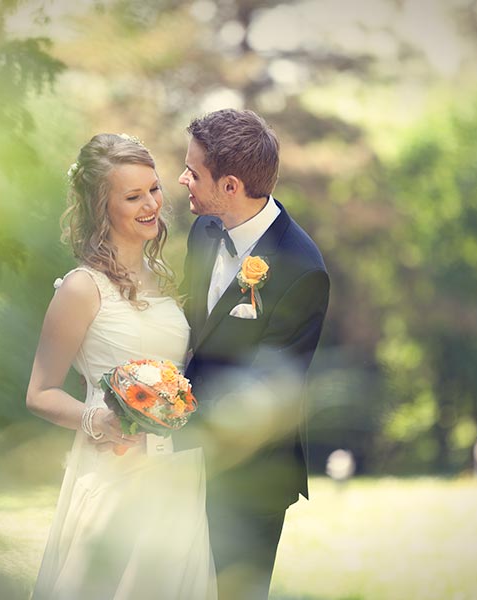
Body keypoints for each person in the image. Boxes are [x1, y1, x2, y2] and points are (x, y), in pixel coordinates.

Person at [26, 133, 216, 599]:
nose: (152, 204)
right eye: (133, 196)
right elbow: (40, 393)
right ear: (100, 207)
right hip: (114, 472)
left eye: (153, 189)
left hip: (177, 475)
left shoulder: (166, 279)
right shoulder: (80, 288)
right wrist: (102, 421)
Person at [177, 109, 330, 599]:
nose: (181, 180)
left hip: (249, 475)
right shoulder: (203, 232)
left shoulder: (303, 270)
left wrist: (165, 430)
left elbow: (264, 391)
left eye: (193, 172)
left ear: (230, 186)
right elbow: (192, 334)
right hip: (180, 466)